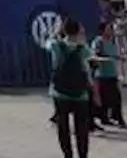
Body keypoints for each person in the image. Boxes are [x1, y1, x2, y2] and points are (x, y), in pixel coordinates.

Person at [49, 17, 100, 158]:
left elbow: (47, 42)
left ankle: (68, 154)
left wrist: (56, 32)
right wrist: (94, 92)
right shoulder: (84, 49)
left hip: (59, 92)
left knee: (63, 127)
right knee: (81, 129)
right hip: (80, 94)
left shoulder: (55, 46)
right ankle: (83, 155)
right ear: (78, 31)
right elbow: (90, 69)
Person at [90, 21, 127, 129]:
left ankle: (116, 118)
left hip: (112, 73)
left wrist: (120, 57)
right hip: (101, 75)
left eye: (111, 29)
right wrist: (106, 58)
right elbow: (96, 55)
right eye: (108, 29)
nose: (110, 31)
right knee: (102, 99)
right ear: (102, 30)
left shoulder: (112, 42)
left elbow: (114, 55)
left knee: (116, 98)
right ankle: (102, 118)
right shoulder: (98, 41)